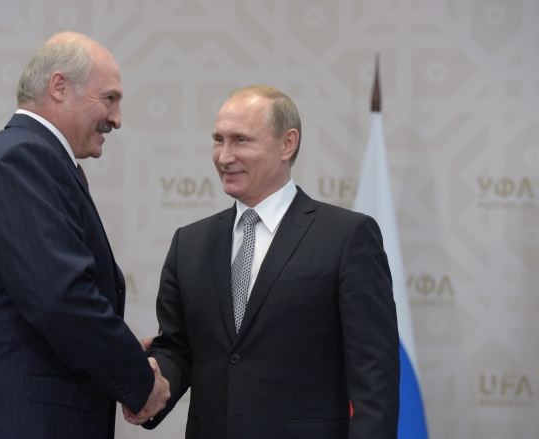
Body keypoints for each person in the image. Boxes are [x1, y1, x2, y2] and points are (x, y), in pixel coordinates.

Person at [0, 32, 169, 439]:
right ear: (59, 87)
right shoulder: (24, 157)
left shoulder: (24, 154)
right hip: (7, 420)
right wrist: (138, 381)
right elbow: (61, 299)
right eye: (110, 99)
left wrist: (115, 350)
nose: (117, 119)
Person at [131, 85, 400, 438]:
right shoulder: (189, 243)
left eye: (240, 140)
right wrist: (152, 382)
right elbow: (178, 349)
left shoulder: (347, 237)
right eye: (218, 140)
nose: (224, 157)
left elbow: (374, 375)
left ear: (287, 144)